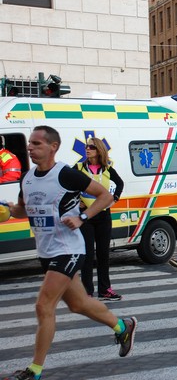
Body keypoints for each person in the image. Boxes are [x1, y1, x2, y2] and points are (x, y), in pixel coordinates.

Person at [4, 126, 136, 380]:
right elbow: (24, 210)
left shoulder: (65, 174)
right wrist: (8, 211)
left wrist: (83, 217)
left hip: (69, 249)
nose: (30, 147)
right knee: (78, 304)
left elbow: (105, 195)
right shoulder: (28, 178)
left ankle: (35, 370)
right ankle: (123, 326)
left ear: (53, 147)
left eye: (37, 143)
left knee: (44, 306)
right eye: (30, 143)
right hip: (46, 250)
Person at [75, 137, 124, 300]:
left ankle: (105, 289)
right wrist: (77, 201)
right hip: (86, 217)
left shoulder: (107, 168)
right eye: (86, 147)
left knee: (104, 254)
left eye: (91, 147)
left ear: (99, 150)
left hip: (103, 216)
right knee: (88, 255)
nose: (87, 149)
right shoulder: (79, 167)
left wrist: (114, 198)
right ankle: (87, 291)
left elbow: (120, 183)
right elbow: (67, 186)